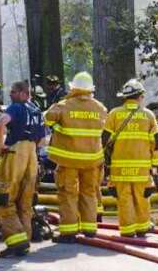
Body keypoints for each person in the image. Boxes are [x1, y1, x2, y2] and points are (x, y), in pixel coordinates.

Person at [44, 72, 107, 242]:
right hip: (92, 160)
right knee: (89, 193)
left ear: (73, 88)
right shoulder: (100, 108)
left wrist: (58, 124)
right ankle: (89, 229)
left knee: (68, 193)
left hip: (68, 159)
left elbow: (47, 119)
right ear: (90, 89)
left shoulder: (64, 105)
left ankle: (69, 232)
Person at [0, 80, 46, 258]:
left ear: (24, 93)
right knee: (25, 202)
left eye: (14, 92)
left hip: (16, 152)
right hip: (32, 155)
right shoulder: (36, 110)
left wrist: (0, 146)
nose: (11, 94)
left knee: (2, 197)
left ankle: (16, 240)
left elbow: (0, 123)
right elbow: (42, 139)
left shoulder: (17, 107)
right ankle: (25, 241)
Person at [104, 80, 158, 238]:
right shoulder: (148, 115)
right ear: (140, 96)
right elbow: (156, 142)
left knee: (124, 199)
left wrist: (107, 166)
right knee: (142, 198)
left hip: (119, 169)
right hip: (142, 169)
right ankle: (143, 227)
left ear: (124, 97)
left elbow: (105, 141)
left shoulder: (114, 114)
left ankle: (128, 230)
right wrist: (155, 165)